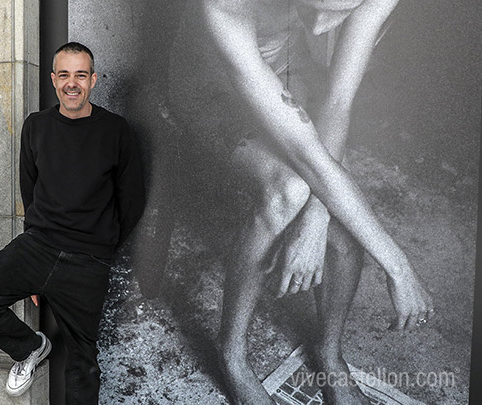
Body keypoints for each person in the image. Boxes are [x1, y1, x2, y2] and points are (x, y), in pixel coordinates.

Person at [165, 0, 434, 404]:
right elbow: (311, 159)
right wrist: (398, 266)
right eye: (316, 9)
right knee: (289, 190)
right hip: (212, 86)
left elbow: (339, 103)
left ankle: (329, 352)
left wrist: (316, 221)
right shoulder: (224, 4)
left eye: (342, 14)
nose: (325, 26)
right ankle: (232, 356)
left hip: (289, 72)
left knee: (338, 221)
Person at [0, 42, 145, 404]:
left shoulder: (116, 130)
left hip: (88, 261)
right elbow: (30, 189)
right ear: (54, 79)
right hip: (37, 248)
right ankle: (31, 347)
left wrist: (101, 248)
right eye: (65, 75)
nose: (72, 83)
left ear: (93, 80)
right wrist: (35, 267)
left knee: (83, 363)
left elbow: (131, 200)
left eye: (81, 75)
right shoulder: (37, 125)